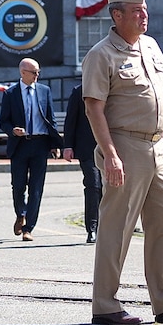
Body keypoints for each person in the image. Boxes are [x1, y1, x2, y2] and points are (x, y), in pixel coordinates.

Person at [82, 0, 163, 325]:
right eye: (136, 11)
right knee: (116, 227)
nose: (144, 16)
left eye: (145, 10)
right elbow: (94, 107)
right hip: (126, 146)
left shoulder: (150, 46)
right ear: (117, 15)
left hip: (158, 147)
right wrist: (110, 155)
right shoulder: (101, 54)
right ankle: (105, 304)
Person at [0, 58, 62, 242]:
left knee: (36, 188)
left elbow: (50, 118)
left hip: (40, 144)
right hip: (19, 145)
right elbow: (4, 120)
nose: (37, 75)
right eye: (34, 72)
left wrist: (54, 144)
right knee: (18, 186)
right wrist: (12, 130)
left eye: (38, 72)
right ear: (22, 72)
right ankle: (21, 213)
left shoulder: (44, 91)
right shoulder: (10, 94)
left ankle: (29, 227)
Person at [63, 83, 102, 244]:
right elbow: (71, 119)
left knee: (110, 188)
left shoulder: (113, 88)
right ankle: (91, 229)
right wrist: (68, 146)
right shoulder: (79, 90)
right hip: (87, 149)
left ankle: (105, 228)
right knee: (93, 185)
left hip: (112, 147)